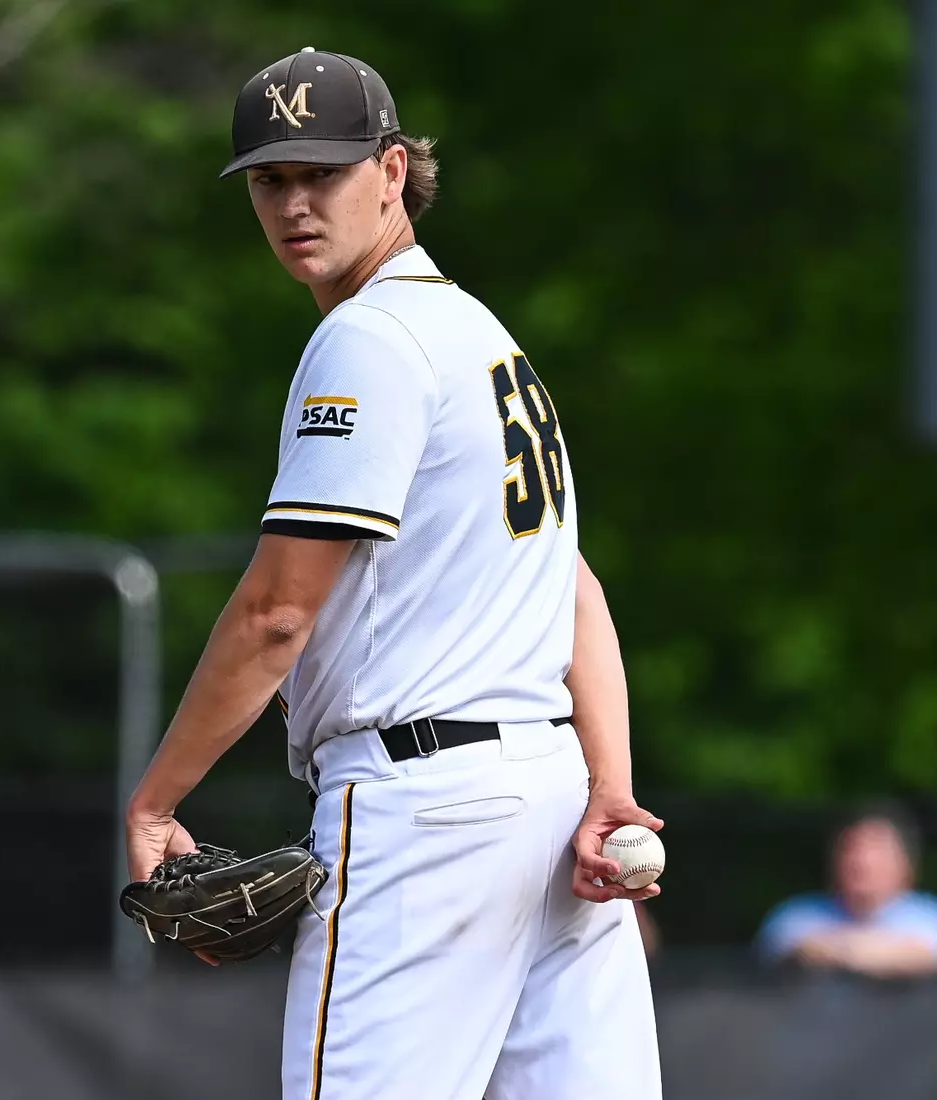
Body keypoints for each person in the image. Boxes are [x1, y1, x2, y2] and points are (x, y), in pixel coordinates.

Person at [123, 46, 663, 1100]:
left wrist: (155, 802)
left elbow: (278, 611)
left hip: (424, 812)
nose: (292, 203)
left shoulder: (367, 342)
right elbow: (574, 587)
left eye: (318, 172)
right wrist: (606, 787)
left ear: (390, 169)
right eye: (269, 180)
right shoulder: (479, 334)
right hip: (548, 801)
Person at [756, 800, 937, 977]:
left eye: (876, 850)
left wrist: (840, 950)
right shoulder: (796, 915)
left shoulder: (935, 918)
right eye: (852, 850)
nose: (862, 862)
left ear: (906, 864)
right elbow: (786, 948)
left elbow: (932, 956)